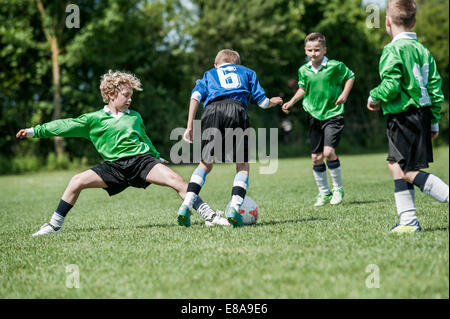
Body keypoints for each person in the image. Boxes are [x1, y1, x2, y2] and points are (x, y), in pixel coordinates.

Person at [16, 70, 229, 236]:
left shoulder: (135, 116)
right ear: (111, 95)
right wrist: (35, 131)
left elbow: (144, 138)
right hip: (113, 167)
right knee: (76, 181)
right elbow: (64, 125)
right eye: (126, 95)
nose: (129, 99)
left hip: (141, 162)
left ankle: (209, 216)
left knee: (177, 180)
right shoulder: (93, 120)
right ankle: (54, 226)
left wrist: (156, 156)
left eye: (131, 96)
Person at [367, 0, 448, 233]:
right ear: (414, 21)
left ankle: (410, 220)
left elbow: (391, 86)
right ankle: (408, 221)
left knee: (404, 169)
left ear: (387, 21)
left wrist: (373, 97)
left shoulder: (392, 50)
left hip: (402, 116)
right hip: (421, 114)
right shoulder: (423, 50)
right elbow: (435, 88)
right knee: (396, 165)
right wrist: (433, 120)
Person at [177, 49, 283, 227]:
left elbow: (195, 96)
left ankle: (186, 204)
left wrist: (189, 125)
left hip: (211, 112)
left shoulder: (209, 74)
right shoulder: (247, 72)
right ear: (237, 65)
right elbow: (263, 102)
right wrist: (274, 102)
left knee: (205, 163)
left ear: (216, 64)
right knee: (242, 164)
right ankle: (234, 206)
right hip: (236, 110)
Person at [282, 32, 355, 207]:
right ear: (305, 51)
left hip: (333, 114)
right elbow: (303, 88)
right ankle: (324, 193)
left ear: (324, 50)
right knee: (316, 157)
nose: (313, 53)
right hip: (314, 115)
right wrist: (291, 101)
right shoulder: (304, 70)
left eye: (317, 50)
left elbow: (351, 77)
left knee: (329, 153)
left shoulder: (335, 66)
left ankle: (338, 189)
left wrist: (344, 95)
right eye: (310, 50)